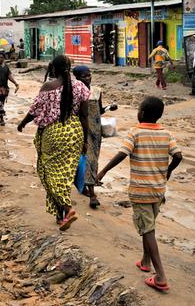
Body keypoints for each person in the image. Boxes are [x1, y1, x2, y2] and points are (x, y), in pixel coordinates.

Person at [97, 97, 183, 292]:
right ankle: (145, 261)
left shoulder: (135, 132)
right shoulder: (166, 133)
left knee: (147, 230)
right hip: (158, 190)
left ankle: (160, 276)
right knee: (149, 225)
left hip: (140, 190)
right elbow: (178, 156)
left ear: (142, 114)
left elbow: (122, 154)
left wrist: (103, 171)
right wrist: (168, 171)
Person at [17, 55, 89, 231]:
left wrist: (22, 123)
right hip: (75, 133)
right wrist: (86, 141)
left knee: (48, 173)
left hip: (54, 133)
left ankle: (67, 209)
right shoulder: (80, 87)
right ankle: (60, 216)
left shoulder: (48, 87)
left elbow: (34, 110)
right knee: (64, 175)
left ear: (54, 69)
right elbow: (84, 116)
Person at [72, 65, 117, 209]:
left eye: (89, 75)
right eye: (83, 76)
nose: (87, 78)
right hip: (80, 130)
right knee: (83, 160)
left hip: (95, 131)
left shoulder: (96, 91)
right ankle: (91, 193)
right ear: (77, 78)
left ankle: (88, 188)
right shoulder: (75, 93)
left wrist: (110, 107)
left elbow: (100, 110)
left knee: (92, 160)